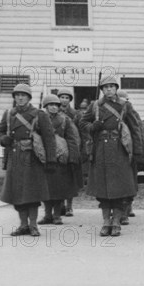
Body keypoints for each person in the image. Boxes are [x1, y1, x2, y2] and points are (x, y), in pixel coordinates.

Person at [79, 76, 144, 236]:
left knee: (119, 189)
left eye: (111, 87)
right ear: (102, 90)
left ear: (116, 89)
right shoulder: (95, 106)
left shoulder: (125, 106)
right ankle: (106, 222)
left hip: (120, 150)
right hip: (100, 150)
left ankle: (116, 221)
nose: (109, 89)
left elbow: (135, 129)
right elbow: (82, 123)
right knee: (103, 190)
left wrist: (137, 152)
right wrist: (92, 126)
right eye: (105, 87)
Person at [0, 83, 57, 236]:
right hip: (14, 158)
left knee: (32, 193)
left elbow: (49, 138)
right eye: (17, 95)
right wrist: (4, 139)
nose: (20, 98)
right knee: (17, 193)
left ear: (29, 98)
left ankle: (33, 225)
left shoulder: (39, 114)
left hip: (33, 157)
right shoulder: (9, 114)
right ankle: (23, 225)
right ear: (14, 97)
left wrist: (51, 160)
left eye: (23, 95)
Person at [37, 94, 80, 225]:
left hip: (60, 158)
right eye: (51, 105)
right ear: (45, 106)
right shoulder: (38, 119)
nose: (54, 107)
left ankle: (57, 216)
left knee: (59, 189)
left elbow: (72, 139)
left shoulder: (65, 120)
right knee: (46, 189)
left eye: (56, 105)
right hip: (44, 157)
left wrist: (73, 157)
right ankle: (47, 215)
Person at [116, 89, 144, 225]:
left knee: (130, 182)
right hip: (116, 154)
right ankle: (118, 210)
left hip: (130, 154)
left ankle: (126, 209)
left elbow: (140, 136)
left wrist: (139, 155)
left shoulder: (133, 115)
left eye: (126, 100)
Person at [57, 87, 84, 217]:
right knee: (58, 178)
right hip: (58, 149)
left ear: (70, 100)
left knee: (70, 179)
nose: (64, 100)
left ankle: (69, 207)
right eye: (62, 97)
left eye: (67, 98)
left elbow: (81, 132)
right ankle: (60, 205)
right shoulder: (53, 112)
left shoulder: (76, 114)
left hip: (72, 147)